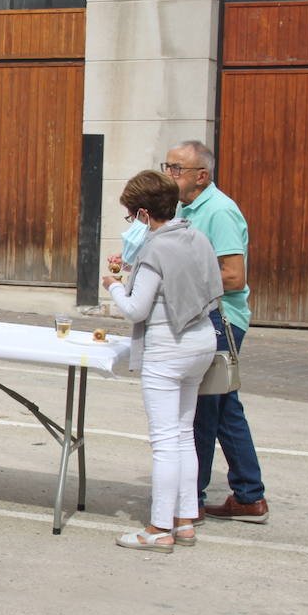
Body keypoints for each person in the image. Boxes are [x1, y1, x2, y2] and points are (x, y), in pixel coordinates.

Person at [103, 171, 222, 552]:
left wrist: (114, 286)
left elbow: (136, 310)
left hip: (167, 347)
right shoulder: (195, 235)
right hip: (202, 339)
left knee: (165, 441)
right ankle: (185, 520)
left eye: (130, 216)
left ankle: (158, 528)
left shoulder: (156, 249)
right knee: (184, 433)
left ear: (142, 213)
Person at [164, 140, 269, 523]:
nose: (169, 174)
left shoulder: (220, 211)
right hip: (203, 316)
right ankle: (249, 495)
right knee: (225, 409)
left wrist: (177, 283)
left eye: (176, 168)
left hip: (220, 321)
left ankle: (190, 500)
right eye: (168, 166)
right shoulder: (185, 208)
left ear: (201, 175)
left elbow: (234, 276)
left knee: (204, 412)